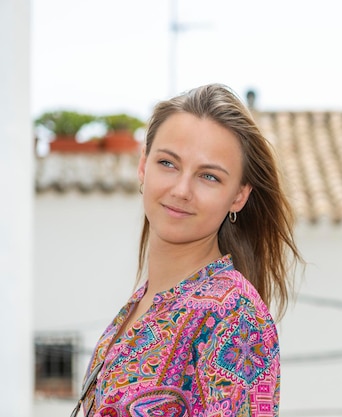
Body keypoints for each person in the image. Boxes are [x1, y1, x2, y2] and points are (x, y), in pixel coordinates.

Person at [71, 83, 302, 417]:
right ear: (142, 166)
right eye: (167, 163)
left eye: (208, 176)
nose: (181, 190)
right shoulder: (140, 306)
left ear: (238, 196)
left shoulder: (236, 317)